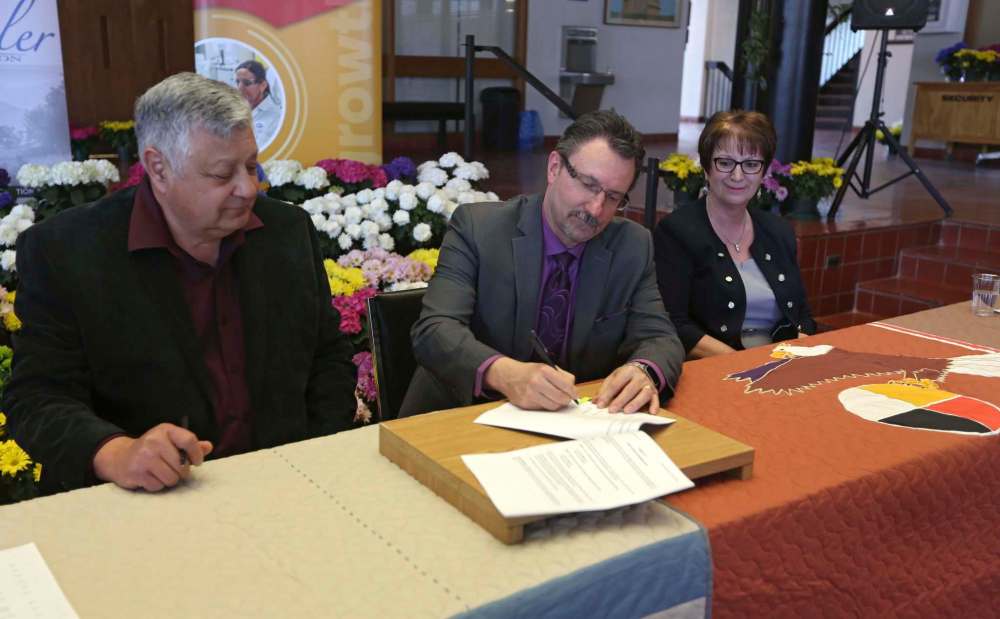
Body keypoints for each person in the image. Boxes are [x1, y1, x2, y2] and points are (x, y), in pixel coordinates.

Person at [4, 72, 356, 495]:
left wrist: (314, 457)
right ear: (159, 168)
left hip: (284, 484)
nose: (248, 188)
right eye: (222, 174)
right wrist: (117, 452)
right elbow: (38, 397)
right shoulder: (67, 251)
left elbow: (327, 358)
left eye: (251, 166)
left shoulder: (287, 231)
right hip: (141, 501)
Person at [399, 110, 685, 418]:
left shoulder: (632, 245)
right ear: (554, 167)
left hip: (570, 428)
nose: (596, 209)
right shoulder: (479, 229)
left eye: (614, 197)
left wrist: (643, 370)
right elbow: (435, 330)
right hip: (459, 417)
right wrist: (503, 373)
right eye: (588, 184)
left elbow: (660, 338)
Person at [653, 110, 816, 359]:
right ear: (706, 168)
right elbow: (674, 323)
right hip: (715, 365)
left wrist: (799, 352)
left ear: (763, 172)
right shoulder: (675, 232)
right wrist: (739, 362)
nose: (737, 176)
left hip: (781, 360)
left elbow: (802, 313)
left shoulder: (779, 231)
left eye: (750, 164)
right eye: (725, 163)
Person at [234, 60, 281, 147]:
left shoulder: (276, 117)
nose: (239, 89)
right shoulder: (237, 110)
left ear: (262, 85)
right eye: (237, 82)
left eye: (247, 83)